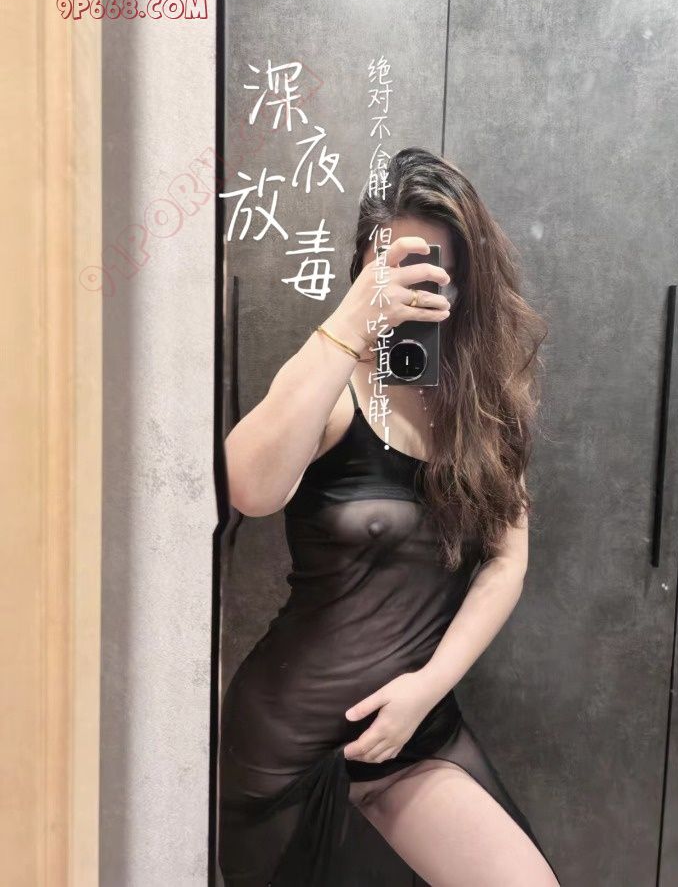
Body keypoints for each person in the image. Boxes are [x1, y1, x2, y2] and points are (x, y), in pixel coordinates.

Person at [218, 147, 560, 886]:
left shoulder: (486, 410)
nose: (412, 284)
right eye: (392, 263)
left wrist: (426, 689)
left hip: (414, 727)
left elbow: (506, 561)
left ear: (466, 280)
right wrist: (351, 320)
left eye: (432, 268)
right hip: (287, 748)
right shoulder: (333, 387)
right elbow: (248, 487)